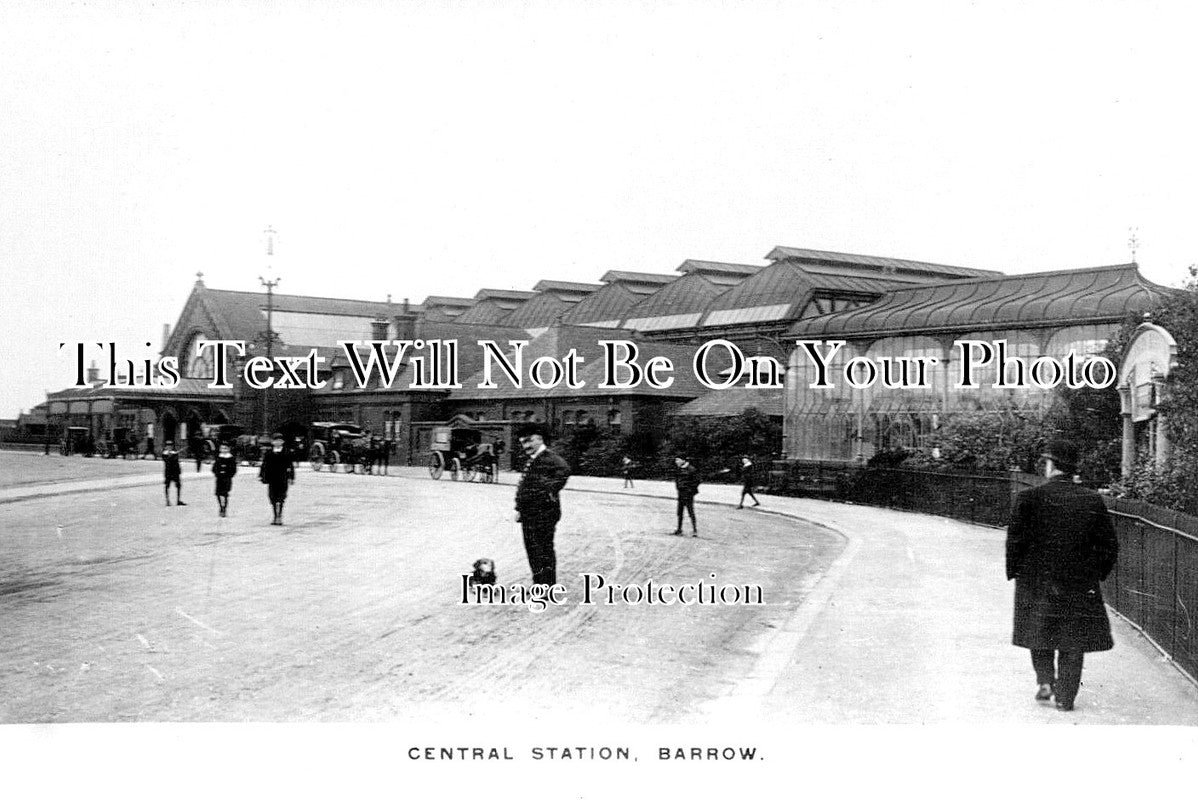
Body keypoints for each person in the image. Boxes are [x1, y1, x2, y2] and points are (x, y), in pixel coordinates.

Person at [1005, 438, 1119, 712]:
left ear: (1051, 465)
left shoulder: (1028, 498)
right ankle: (1066, 697)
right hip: (1078, 582)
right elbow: (1109, 545)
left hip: (1037, 579)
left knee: (1039, 630)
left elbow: (1015, 541)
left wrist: (1015, 571)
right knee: (1073, 638)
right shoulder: (1091, 500)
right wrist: (1095, 574)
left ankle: (1045, 680)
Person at [514, 423, 570, 586]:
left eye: (529, 441)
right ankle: (539, 584)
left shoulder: (549, 458)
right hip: (529, 514)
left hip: (543, 513)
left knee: (543, 551)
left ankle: (546, 586)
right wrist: (519, 508)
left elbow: (564, 470)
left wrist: (549, 491)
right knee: (533, 551)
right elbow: (525, 487)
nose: (526, 446)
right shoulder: (534, 459)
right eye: (523, 442)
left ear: (540, 439)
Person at [259, 433, 295, 525]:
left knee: (281, 497)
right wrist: (262, 476)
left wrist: (291, 477)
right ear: (272, 442)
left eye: (279, 441)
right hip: (272, 478)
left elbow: (290, 465)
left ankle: (279, 516)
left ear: (282, 442)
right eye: (275, 441)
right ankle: (275, 515)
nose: (277, 442)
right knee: (272, 497)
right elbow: (264, 465)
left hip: (283, 477)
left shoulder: (286, 452)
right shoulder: (269, 453)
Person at [673, 456, 700, 537]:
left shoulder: (691, 469)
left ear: (683, 460)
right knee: (680, 512)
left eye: (678, 460)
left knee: (690, 512)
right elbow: (677, 480)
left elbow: (697, 481)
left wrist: (690, 491)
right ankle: (679, 529)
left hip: (688, 494)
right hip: (681, 493)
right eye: (676, 460)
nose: (676, 462)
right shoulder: (679, 469)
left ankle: (695, 530)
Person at [212, 442, 238, 517]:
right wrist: (217, 473)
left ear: (228, 449)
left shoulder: (231, 458)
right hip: (219, 478)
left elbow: (234, 469)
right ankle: (220, 506)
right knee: (218, 493)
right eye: (222, 448)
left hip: (227, 478)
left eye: (225, 448)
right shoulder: (218, 457)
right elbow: (214, 468)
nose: (223, 450)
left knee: (225, 493)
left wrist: (229, 475)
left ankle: (224, 508)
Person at [162, 440, 185, 507]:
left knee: (178, 486)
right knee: (167, 486)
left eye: (171, 445)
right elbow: (166, 461)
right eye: (168, 445)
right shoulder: (164, 453)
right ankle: (167, 501)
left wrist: (179, 470)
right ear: (166, 447)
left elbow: (176, 461)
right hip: (168, 472)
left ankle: (178, 500)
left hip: (175, 472)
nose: (170, 447)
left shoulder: (175, 453)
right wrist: (170, 456)